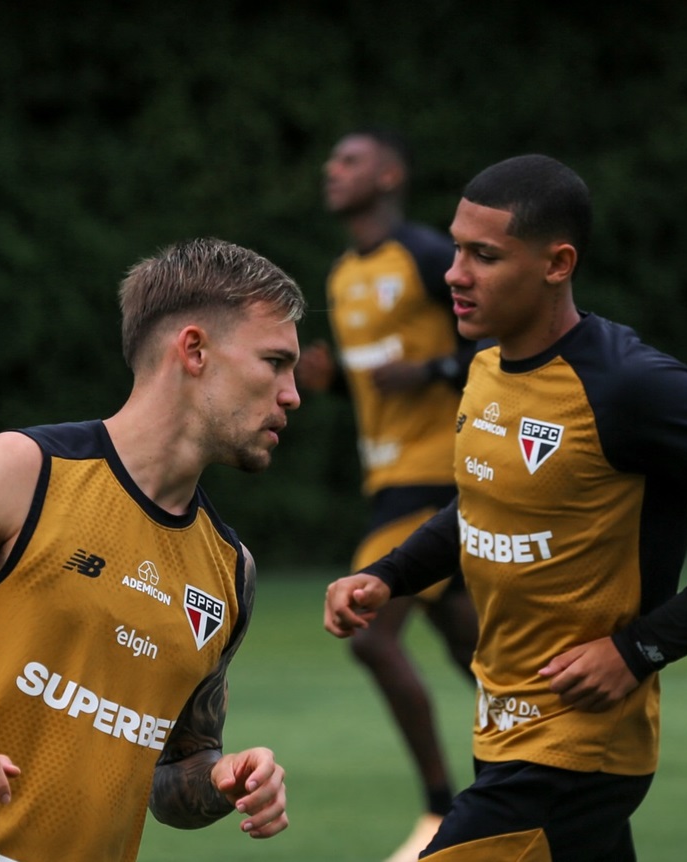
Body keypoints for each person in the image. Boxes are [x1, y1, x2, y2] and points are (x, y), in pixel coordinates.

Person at [0, 237, 297, 861]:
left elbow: (174, 776)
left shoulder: (229, 571)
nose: (292, 394)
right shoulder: (25, 473)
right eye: (274, 362)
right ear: (194, 350)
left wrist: (225, 779)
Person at [324, 153, 687, 861]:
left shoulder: (632, 386)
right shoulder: (486, 366)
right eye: (456, 248)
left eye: (483, 255)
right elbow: (481, 507)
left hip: (574, 751)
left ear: (557, 263)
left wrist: (639, 650)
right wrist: (389, 576)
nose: (454, 273)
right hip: (502, 732)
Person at [296, 128, 478, 862]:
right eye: (331, 160)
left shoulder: (430, 255)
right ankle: (553, 770)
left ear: (390, 174)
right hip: (391, 479)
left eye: (349, 160)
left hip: (439, 475)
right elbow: (377, 381)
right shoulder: (342, 274)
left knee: (370, 633)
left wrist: (435, 371)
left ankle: (441, 812)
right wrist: (332, 382)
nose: (330, 170)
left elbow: (500, 341)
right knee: (479, 654)